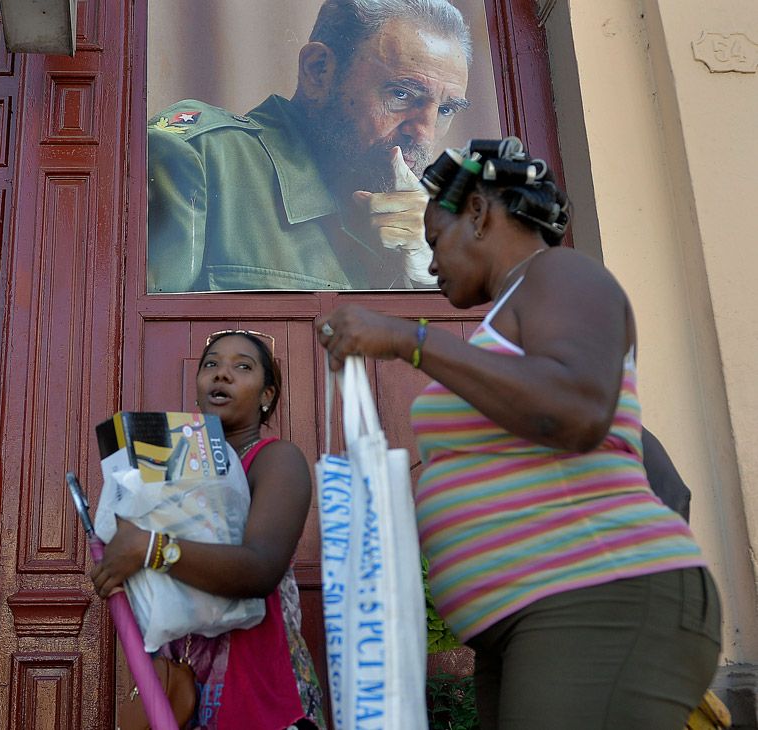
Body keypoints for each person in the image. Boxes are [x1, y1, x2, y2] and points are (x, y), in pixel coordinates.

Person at [315, 137, 720, 729]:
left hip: (595, 596)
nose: (429, 266)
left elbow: (577, 410)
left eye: (435, 241)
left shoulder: (562, 274)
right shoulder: (503, 324)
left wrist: (411, 340)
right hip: (526, 621)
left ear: (478, 213)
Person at [147, 0, 471, 292]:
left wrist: (431, 277)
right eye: (400, 95)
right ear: (318, 70)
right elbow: (134, 340)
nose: (425, 134)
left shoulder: (437, 222)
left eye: (445, 110)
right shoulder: (202, 160)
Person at [91, 331, 327, 729]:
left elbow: (261, 569)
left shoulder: (277, 460)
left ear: (267, 394)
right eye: (211, 365)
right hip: (186, 692)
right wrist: (117, 566)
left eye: (242, 367)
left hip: (261, 693)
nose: (222, 375)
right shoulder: (171, 470)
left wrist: (152, 548)